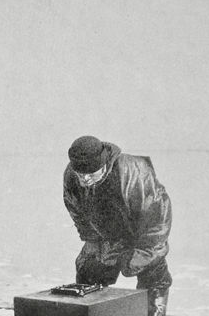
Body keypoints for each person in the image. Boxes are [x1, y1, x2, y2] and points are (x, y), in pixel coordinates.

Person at [62, 135, 172, 316]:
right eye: (81, 175)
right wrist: (91, 242)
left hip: (143, 233)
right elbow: (77, 212)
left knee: (154, 275)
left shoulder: (133, 172)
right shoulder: (72, 176)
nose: (86, 180)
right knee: (87, 271)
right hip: (108, 234)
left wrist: (143, 253)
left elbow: (157, 218)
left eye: (91, 174)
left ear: (103, 164)